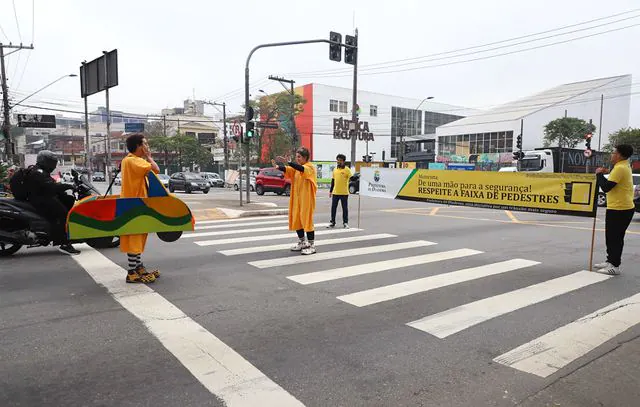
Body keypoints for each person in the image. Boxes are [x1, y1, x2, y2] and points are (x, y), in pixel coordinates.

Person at [120, 134, 161, 283]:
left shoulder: (129, 160)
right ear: (138, 146)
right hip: (134, 204)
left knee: (138, 237)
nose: (147, 146)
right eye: (145, 144)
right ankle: (131, 272)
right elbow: (156, 169)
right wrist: (149, 157)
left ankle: (138, 267)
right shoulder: (134, 161)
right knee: (135, 239)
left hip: (135, 203)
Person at [24, 150, 80, 255]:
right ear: (45, 161)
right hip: (41, 200)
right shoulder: (38, 172)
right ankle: (63, 243)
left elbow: (50, 186)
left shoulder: (40, 171)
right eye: (52, 162)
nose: (53, 165)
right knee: (62, 214)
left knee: (65, 200)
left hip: (42, 198)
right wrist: (68, 185)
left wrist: (65, 190)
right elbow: (51, 187)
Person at [595, 144, 635, 275]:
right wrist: (607, 172)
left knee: (615, 238)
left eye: (613, 152)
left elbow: (606, 187)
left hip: (620, 208)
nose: (612, 154)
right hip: (619, 207)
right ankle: (610, 261)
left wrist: (599, 174)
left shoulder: (620, 168)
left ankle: (614, 266)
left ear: (619, 155)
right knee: (611, 237)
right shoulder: (622, 166)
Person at [272, 147, 318, 255]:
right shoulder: (297, 168)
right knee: (297, 219)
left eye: (299, 157)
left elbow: (301, 169)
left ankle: (312, 245)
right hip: (297, 198)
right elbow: (289, 170)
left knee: (307, 220)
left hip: (306, 199)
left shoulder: (309, 167)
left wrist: (290, 162)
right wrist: (278, 167)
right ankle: (303, 242)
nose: (297, 159)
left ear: (305, 157)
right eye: (296, 157)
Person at [328, 153, 352, 228]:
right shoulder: (335, 169)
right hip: (335, 192)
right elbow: (333, 181)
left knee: (344, 208)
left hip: (344, 193)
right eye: (337, 160)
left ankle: (345, 222)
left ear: (343, 161)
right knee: (333, 208)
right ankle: (332, 222)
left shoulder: (347, 169)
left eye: (340, 160)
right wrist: (330, 191)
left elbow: (352, 178)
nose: (338, 162)